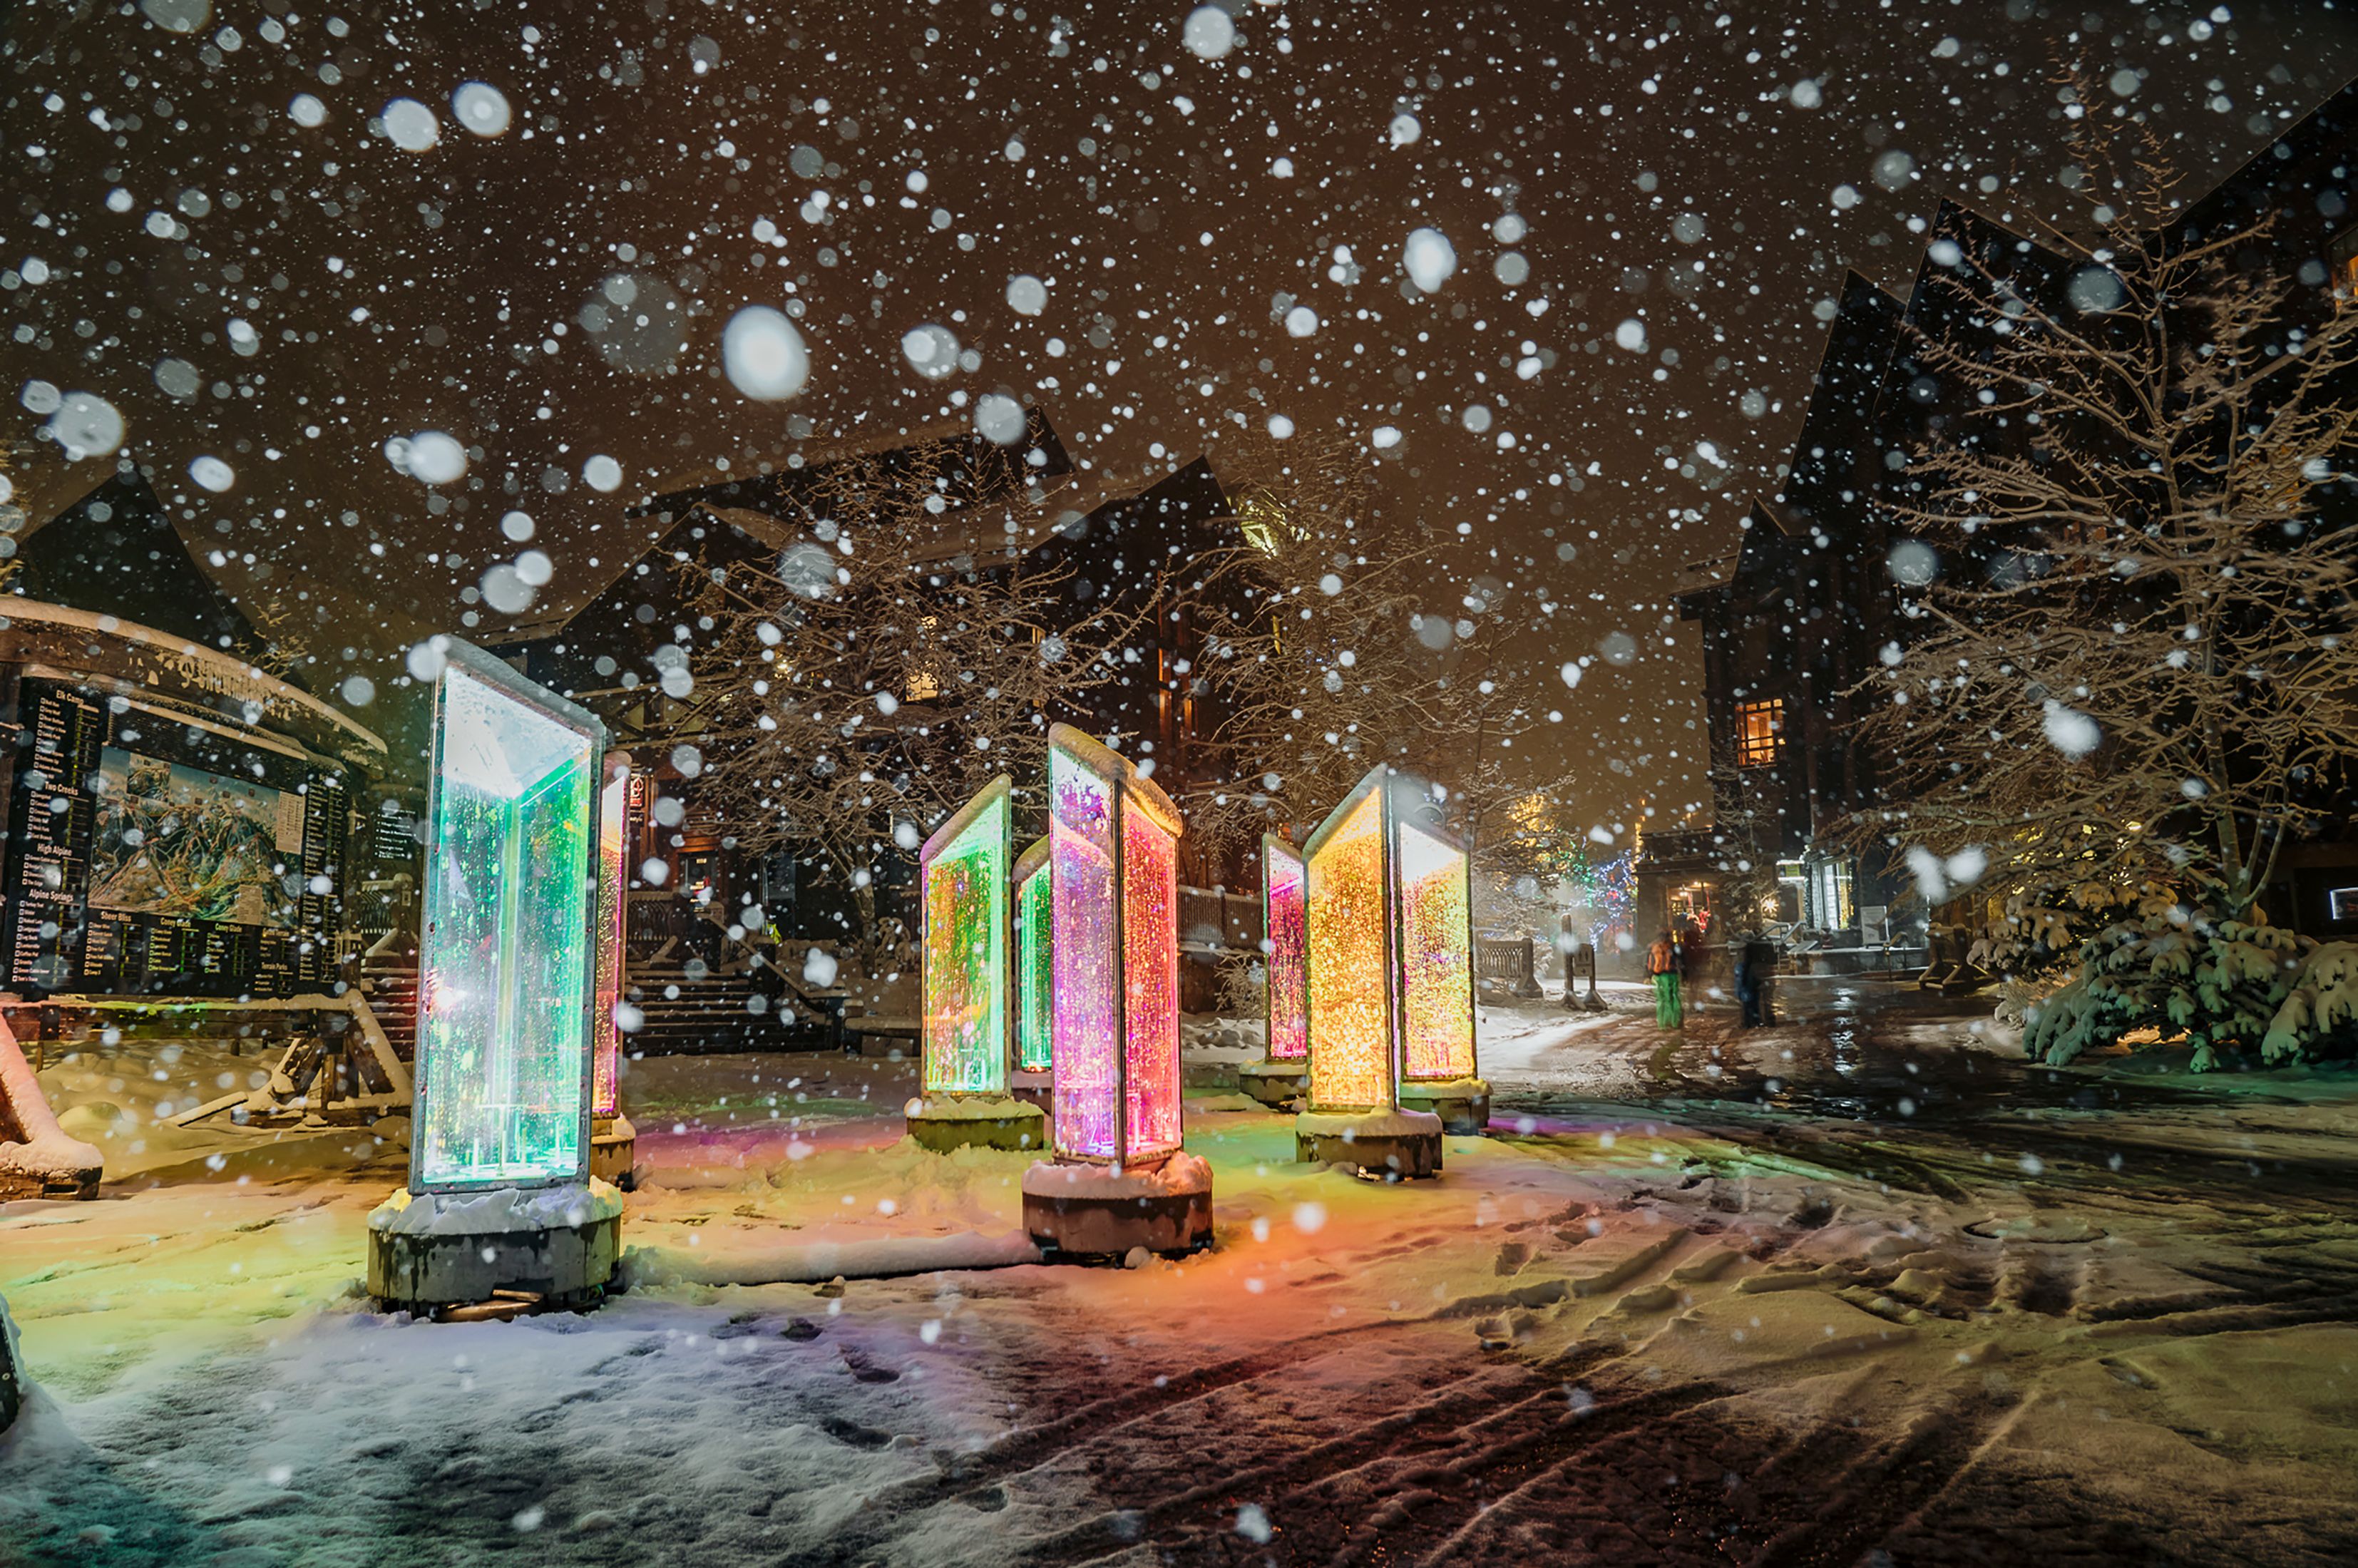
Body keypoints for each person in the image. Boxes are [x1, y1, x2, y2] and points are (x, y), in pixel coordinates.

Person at [1646, 928, 1683, 1030]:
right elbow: (1680, 960)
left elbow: (1649, 962)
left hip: (1657, 975)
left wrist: (1648, 975)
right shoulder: (1673, 946)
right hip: (1671, 974)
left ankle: (1662, 1024)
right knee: (1673, 998)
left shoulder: (1653, 947)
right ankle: (1674, 1022)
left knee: (1661, 1000)